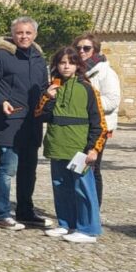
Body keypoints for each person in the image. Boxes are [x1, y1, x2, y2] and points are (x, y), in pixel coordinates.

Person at [0, 16, 50, 231]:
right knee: (7, 168)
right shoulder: (1, 56)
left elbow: (43, 86)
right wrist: (1, 101)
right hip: (9, 121)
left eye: (28, 33)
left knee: (29, 170)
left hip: (32, 123)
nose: (24, 36)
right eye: (20, 32)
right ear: (13, 34)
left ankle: (25, 211)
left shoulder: (38, 58)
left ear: (35, 35)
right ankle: (1, 213)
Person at [35, 46, 107, 243]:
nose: (66, 66)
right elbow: (40, 115)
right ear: (57, 65)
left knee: (83, 189)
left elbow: (99, 122)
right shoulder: (53, 87)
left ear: (77, 65)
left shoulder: (88, 89)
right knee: (61, 187)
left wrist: (94, 148)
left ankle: (88, 229)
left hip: (80, 149)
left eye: (70, 62)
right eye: (62, 62)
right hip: (57, 145)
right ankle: (66, 224)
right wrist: (48, 98)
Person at [75, 32, 120, 208]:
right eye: (78, 48)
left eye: (86, 48)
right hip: (77, 127)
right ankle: (80, 207)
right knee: (78, 167)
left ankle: (93, 210)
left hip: (98, 128)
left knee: (92, 167)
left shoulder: (105, 72)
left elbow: (112, 101)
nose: (81, 51)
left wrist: (84, 104)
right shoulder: (74, 71)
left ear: (95, 50)